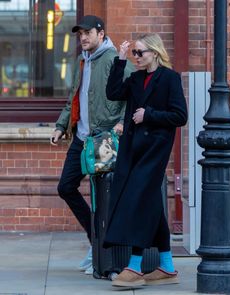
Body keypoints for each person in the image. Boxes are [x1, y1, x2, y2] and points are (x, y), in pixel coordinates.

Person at [50, 15, 134, 275]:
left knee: (102, 197)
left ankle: (102, 253)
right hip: (81, 138)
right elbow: (73, 96)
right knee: (66, 186)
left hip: (103, 138)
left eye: (88, 33)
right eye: (80, 34)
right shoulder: (82, 61)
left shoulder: (113, 59)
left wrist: (121, 123)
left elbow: (133, 95)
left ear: (101, 33)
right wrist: (61, 125)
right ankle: (94, 239)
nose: (83, 37)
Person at [103, 33, 188, 287]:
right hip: (133, 148)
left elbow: (179, 116)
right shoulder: (135, 78)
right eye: (134, 53)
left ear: (155, 52)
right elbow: (112, 93)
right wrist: (119, 60)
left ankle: (135, 265)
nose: (136, 58)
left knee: (139, 200)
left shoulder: (170, 78)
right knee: (150, 204)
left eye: (140, 53)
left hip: (155, 150)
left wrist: (148, 114)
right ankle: (168, 267)